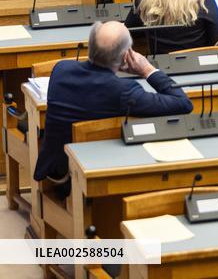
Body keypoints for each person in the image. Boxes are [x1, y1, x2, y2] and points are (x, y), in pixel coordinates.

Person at [34, 20, 193, 195]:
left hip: (56, 170)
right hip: (78, 178)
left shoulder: (61, 69)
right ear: (127, 56)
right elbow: (183, 103)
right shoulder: (123, 91)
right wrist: (147, 70)